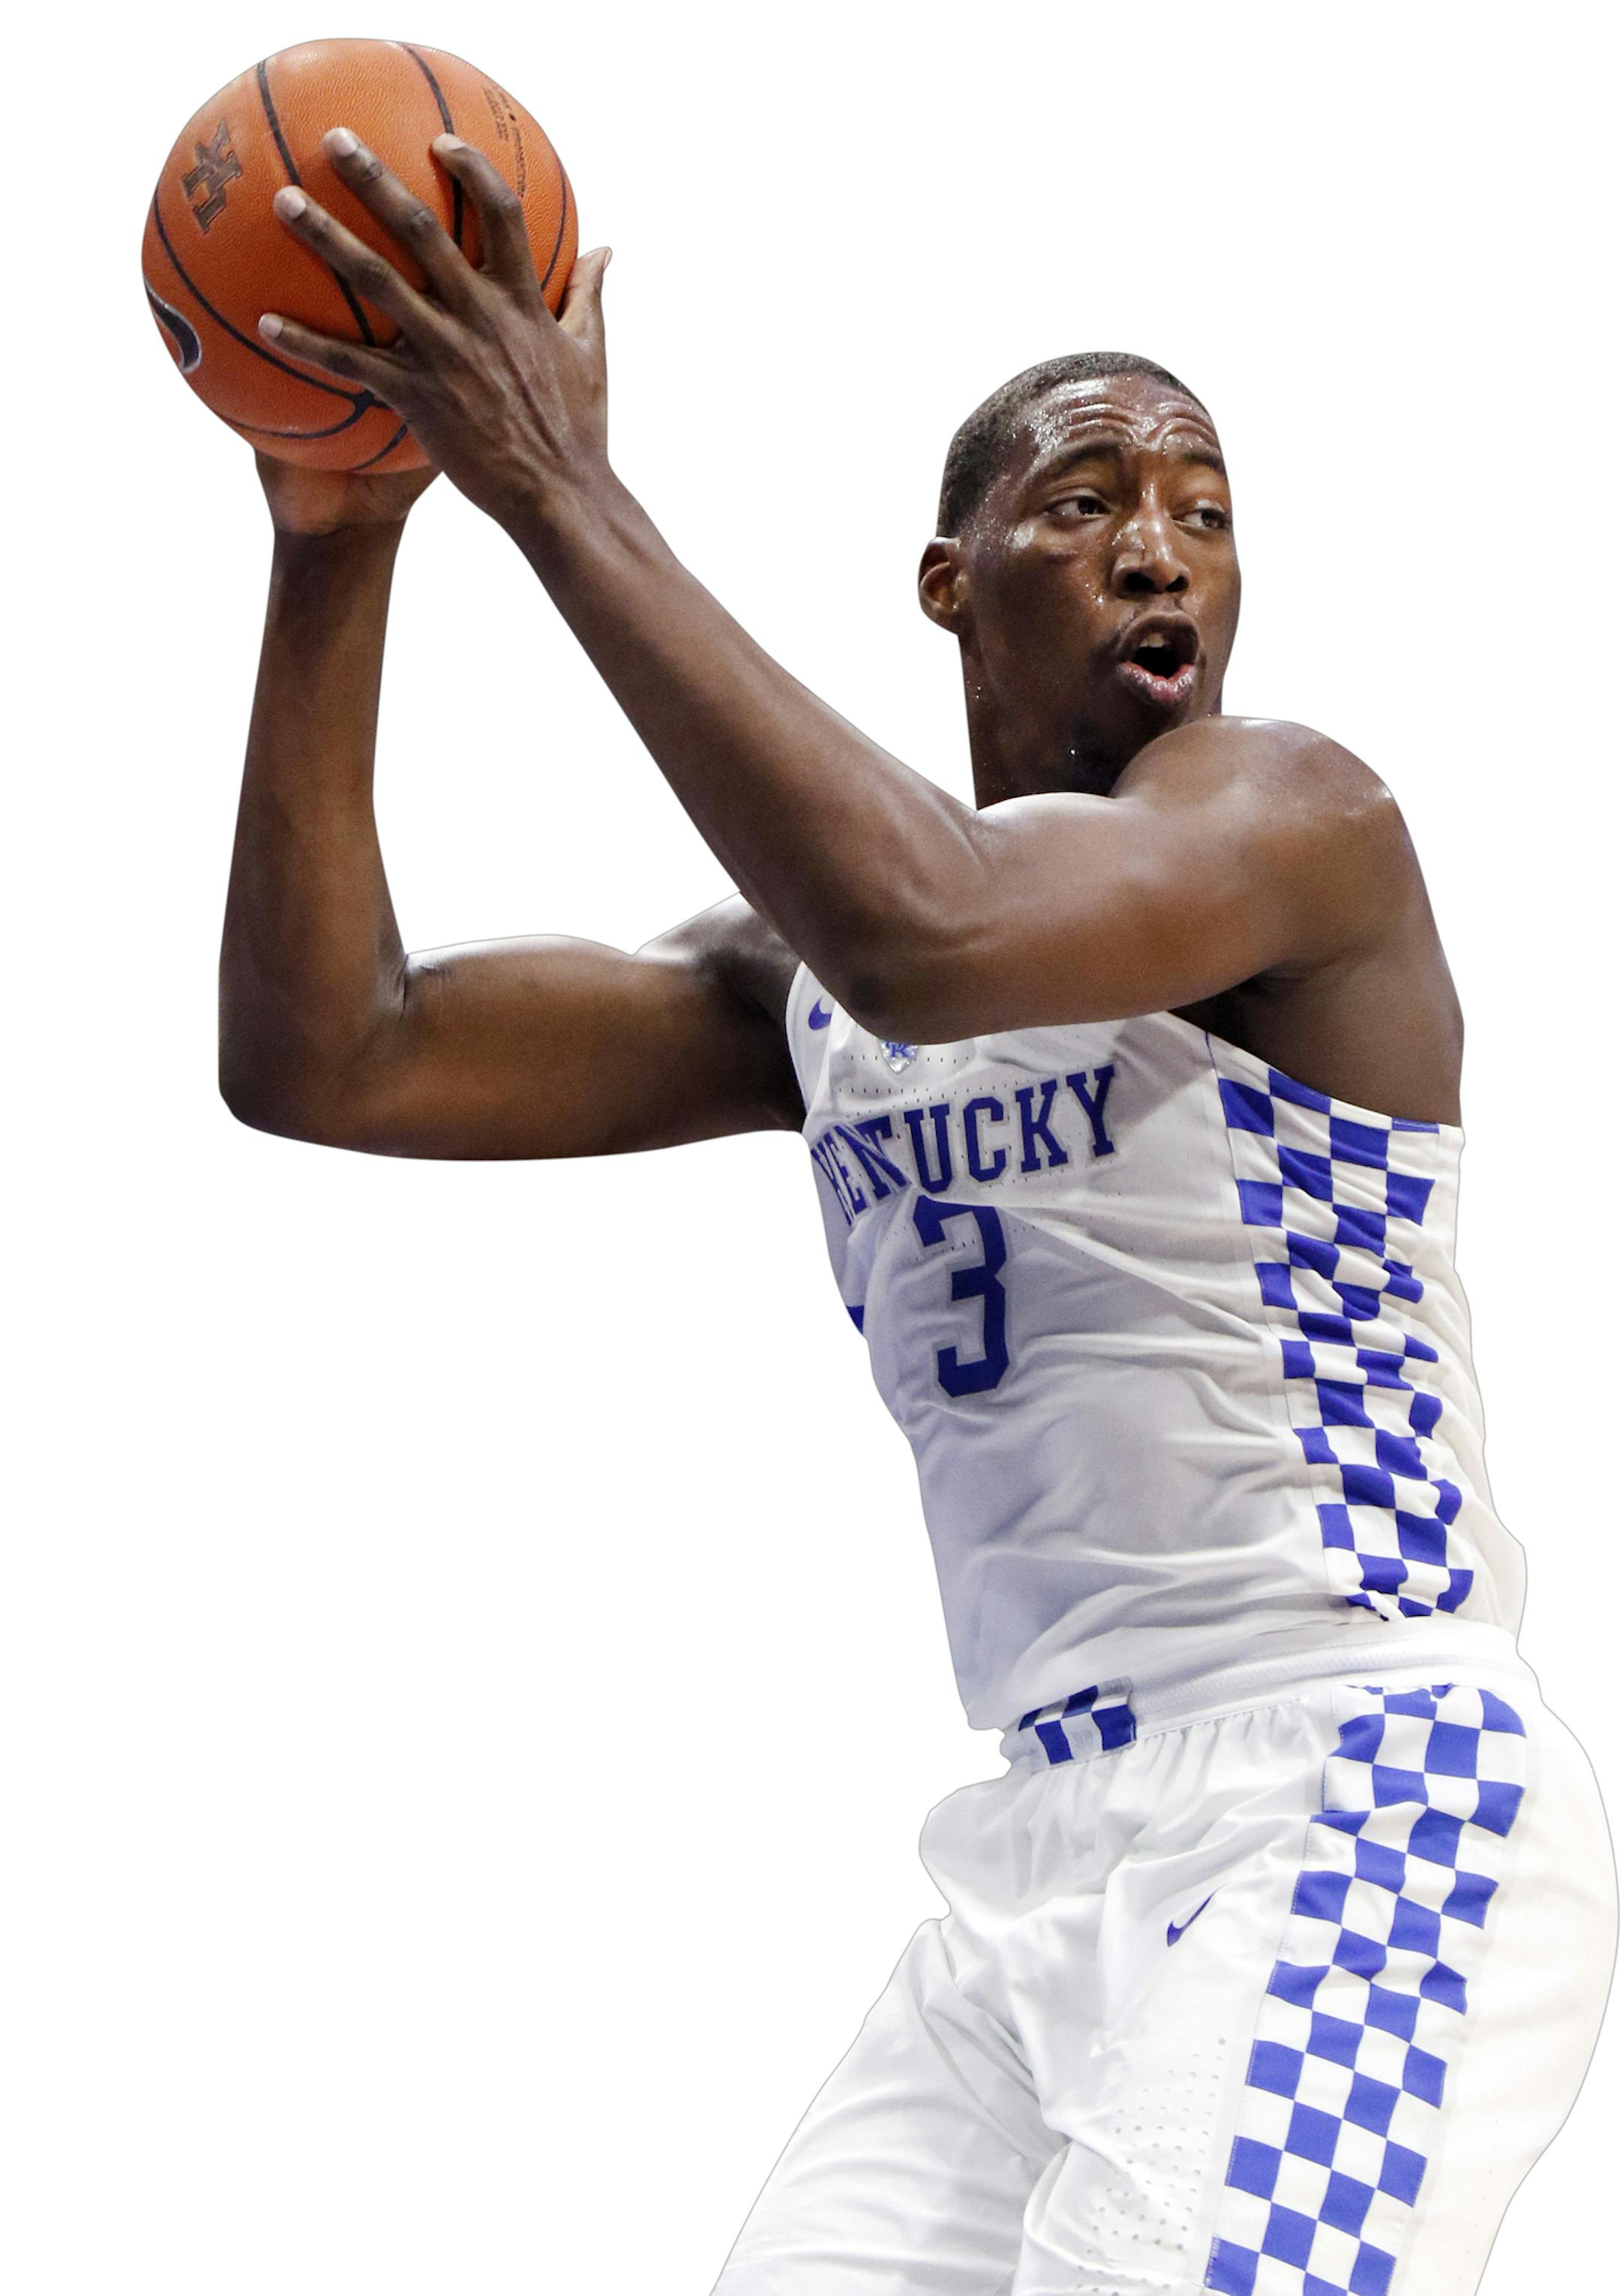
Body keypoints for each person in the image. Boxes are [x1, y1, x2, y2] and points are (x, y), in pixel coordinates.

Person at [219, 124, 1616, 2296]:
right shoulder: (806, 989)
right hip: (1042, 1851)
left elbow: (930, 927)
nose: (1163, 551)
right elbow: (335, 1053)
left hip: (1363, 1790)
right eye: (1089, 503)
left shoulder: (1294, 830)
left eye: (1205, 513)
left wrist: (562, 489)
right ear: (951, 583)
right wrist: (342, 526)